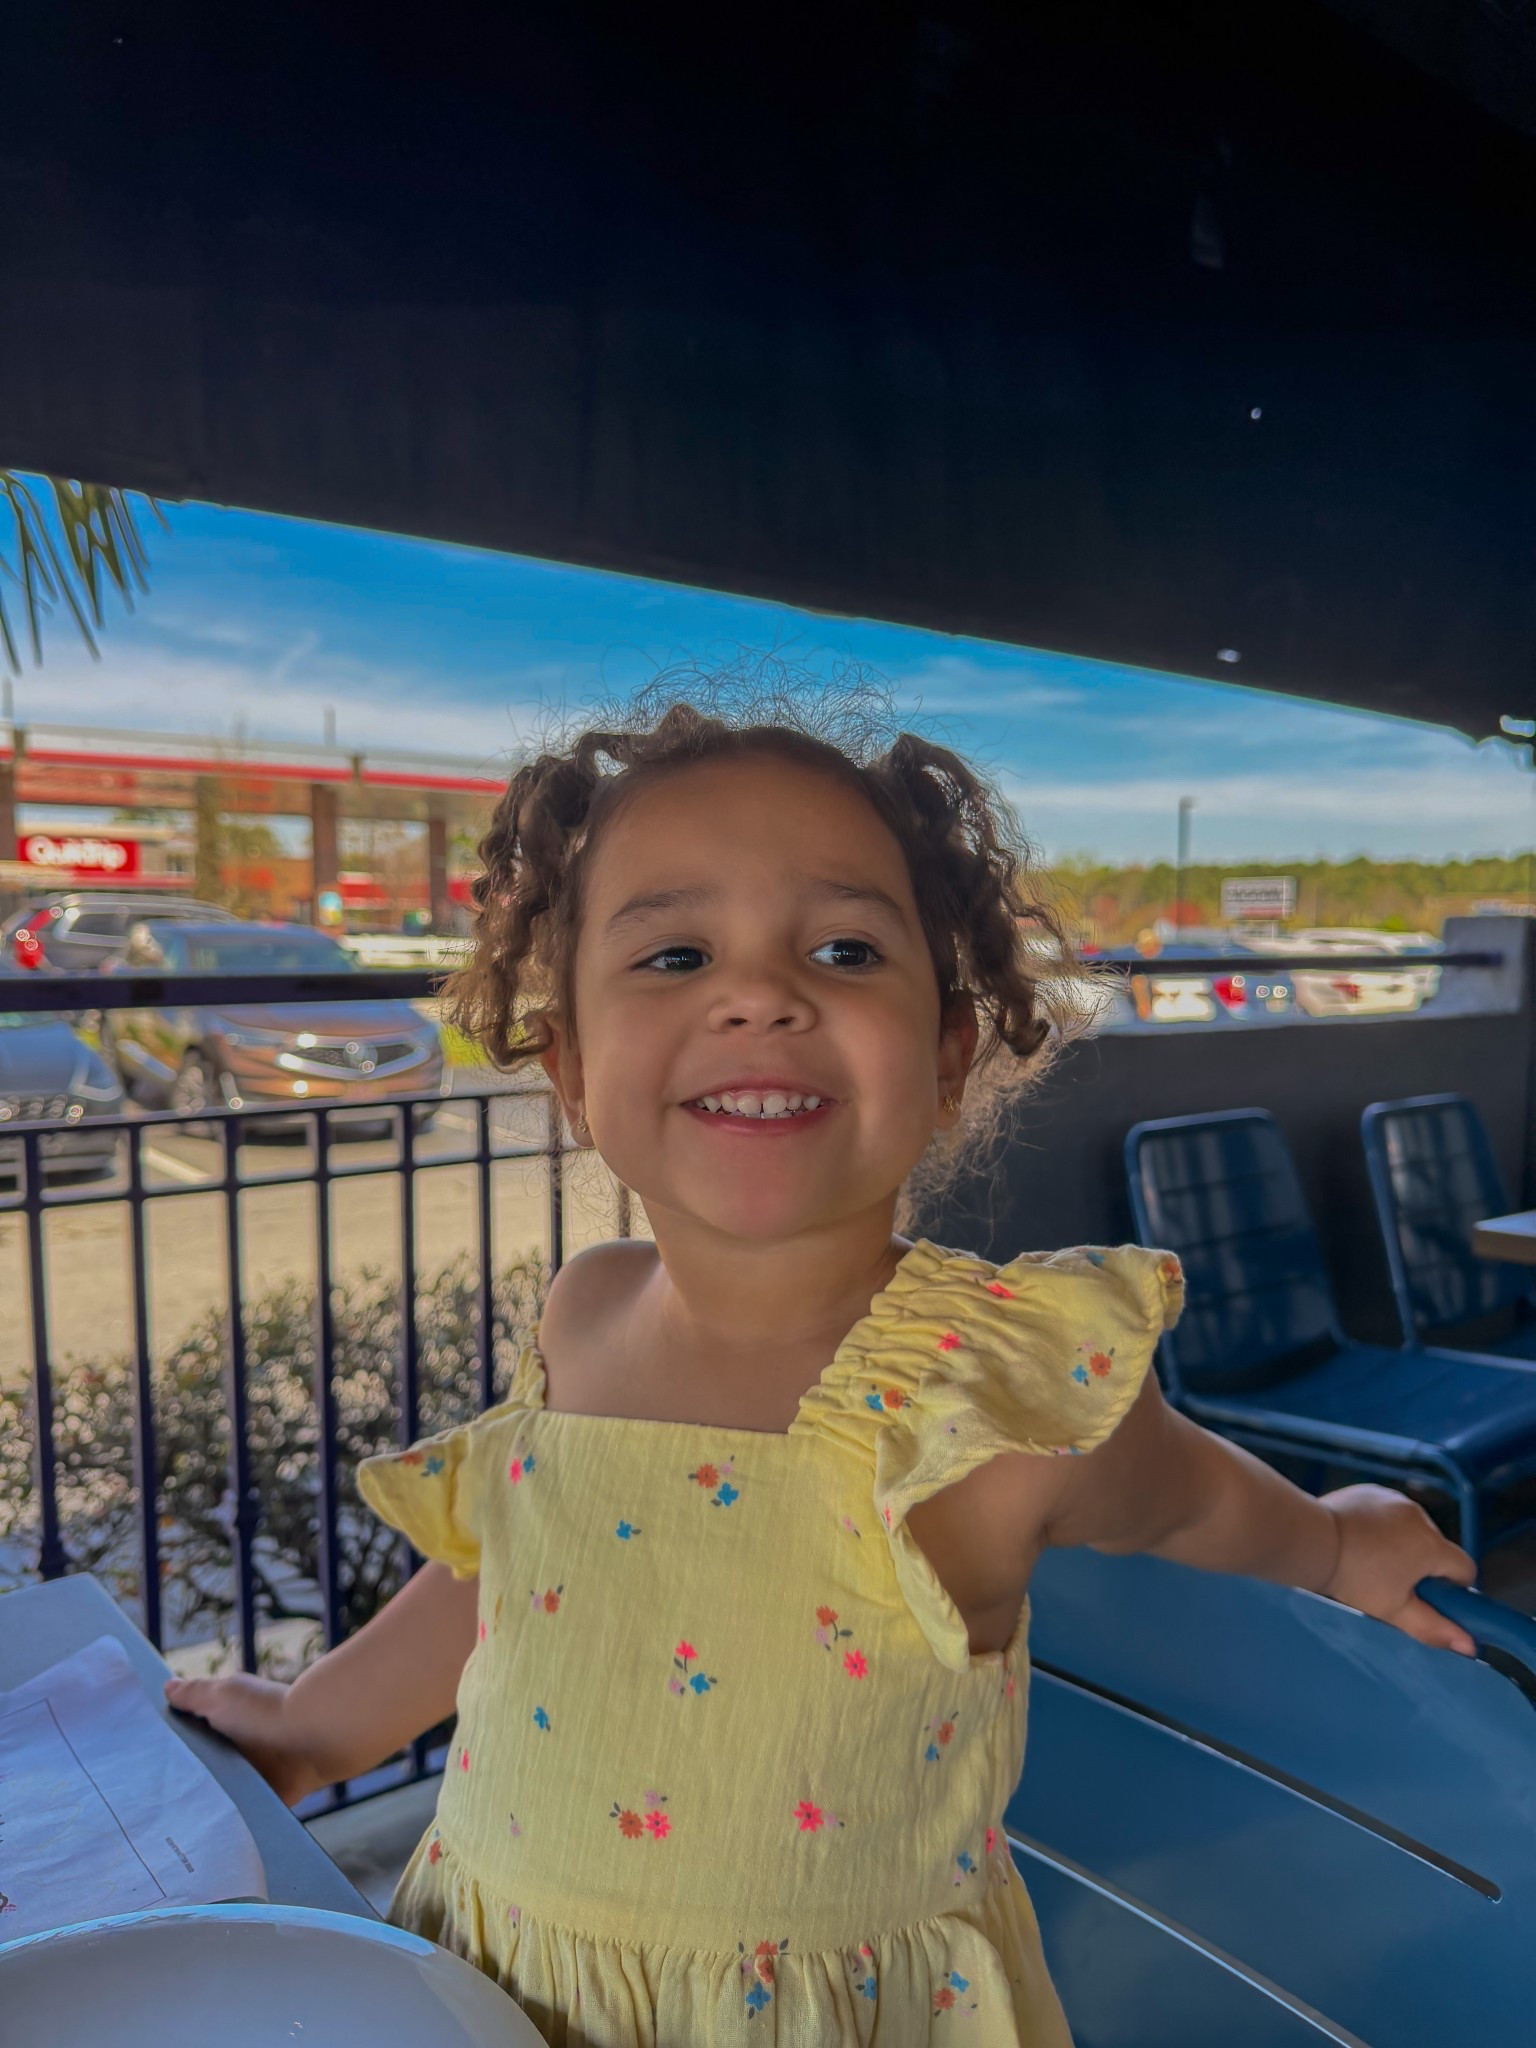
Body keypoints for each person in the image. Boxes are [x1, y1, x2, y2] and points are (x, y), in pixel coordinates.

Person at [167, 692, 1475, 2044]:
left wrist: (1331, 1542)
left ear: (947, 1053)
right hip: (489, 1983)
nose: (758, 995)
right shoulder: (584, 1311)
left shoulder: (990, 1396)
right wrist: (312, 1726)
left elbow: (1190, 1498)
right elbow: (505, 1574)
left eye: (845, 948)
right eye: (674, 955)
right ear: (570, 1070)